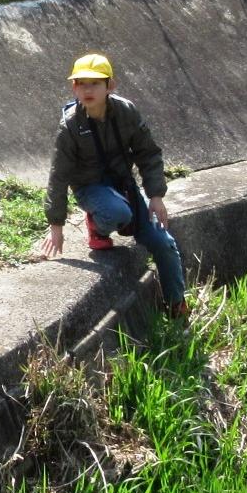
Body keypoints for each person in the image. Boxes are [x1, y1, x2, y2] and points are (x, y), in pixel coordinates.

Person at [38, 53, 189, 318]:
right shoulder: (70, 126)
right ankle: (97, 226)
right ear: (74, 87)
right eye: (81, 83)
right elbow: (58, 176)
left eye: (95, 83)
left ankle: (176, 305)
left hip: (124, 187)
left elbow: (148, 153)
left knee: (163, 242)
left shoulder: (126, 112)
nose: (87, 89)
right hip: (90, 188)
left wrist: (155, 195)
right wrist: (56, 225)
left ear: (111, 86)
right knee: (118, 213)